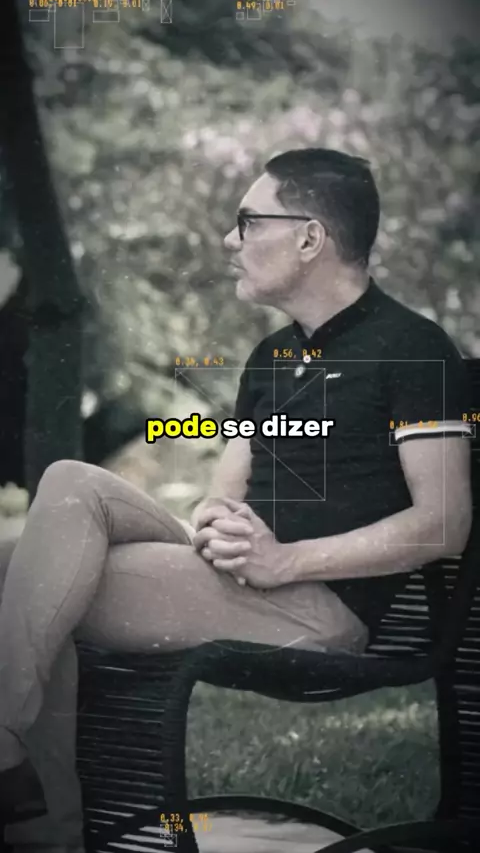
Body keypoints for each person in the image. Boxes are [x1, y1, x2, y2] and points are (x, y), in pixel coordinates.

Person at [0, 148, 472, 852]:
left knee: (28, 575)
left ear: (309, 238)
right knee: (69, 484)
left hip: (315, 608)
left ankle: (38, 815)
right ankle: (25, 787)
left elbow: (444, 523)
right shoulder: (272, 357)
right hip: (236, 580)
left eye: (249, 222)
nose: (229, 239)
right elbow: (225, 487)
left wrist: (285, 561)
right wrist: (216, 518)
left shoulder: (415, 349)